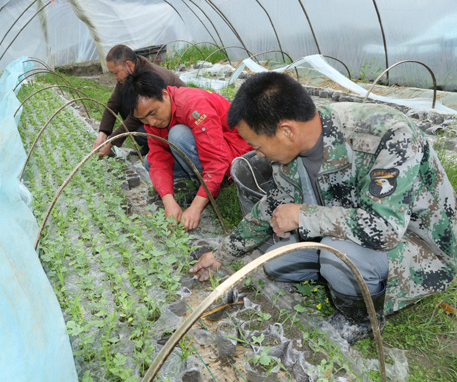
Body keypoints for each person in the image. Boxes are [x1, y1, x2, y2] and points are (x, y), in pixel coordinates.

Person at [190, 71, 457, 343]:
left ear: (286, 131)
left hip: (418, 244)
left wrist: (302, 215)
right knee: (276, 261)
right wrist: (221, 254)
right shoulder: (290, 155)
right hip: (350, 232)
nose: (257, 153)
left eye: (257, 146)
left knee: (335, 256)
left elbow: (384, 228)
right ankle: (345, 277)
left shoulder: (390, 136)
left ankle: (362, 318)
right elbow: (270, 206)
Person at [121, 70, 253, 231]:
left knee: (178, 136)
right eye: (143, 119)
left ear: (164, 94)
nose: (151, 122)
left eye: (153, 113)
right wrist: (168, 201)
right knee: (150, 161)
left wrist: (196, 207)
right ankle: (203, 180)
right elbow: (159, 160)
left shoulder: (193, 104)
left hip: (237, 153)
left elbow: (217, 160)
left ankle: (216, 183)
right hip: (209, 150)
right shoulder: (154, 121)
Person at [92, 44, 186, 158]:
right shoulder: (129, 75)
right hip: (157, 114)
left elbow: (136, 117)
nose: (115, 77)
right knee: (123, 102)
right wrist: (103, 134)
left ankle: (168, 149)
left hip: (178, 119)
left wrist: (111, 142)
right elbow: (113, 104)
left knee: (141, 132)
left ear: (128, 65)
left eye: (116, 73)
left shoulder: (149, 75)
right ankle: (150, 147)